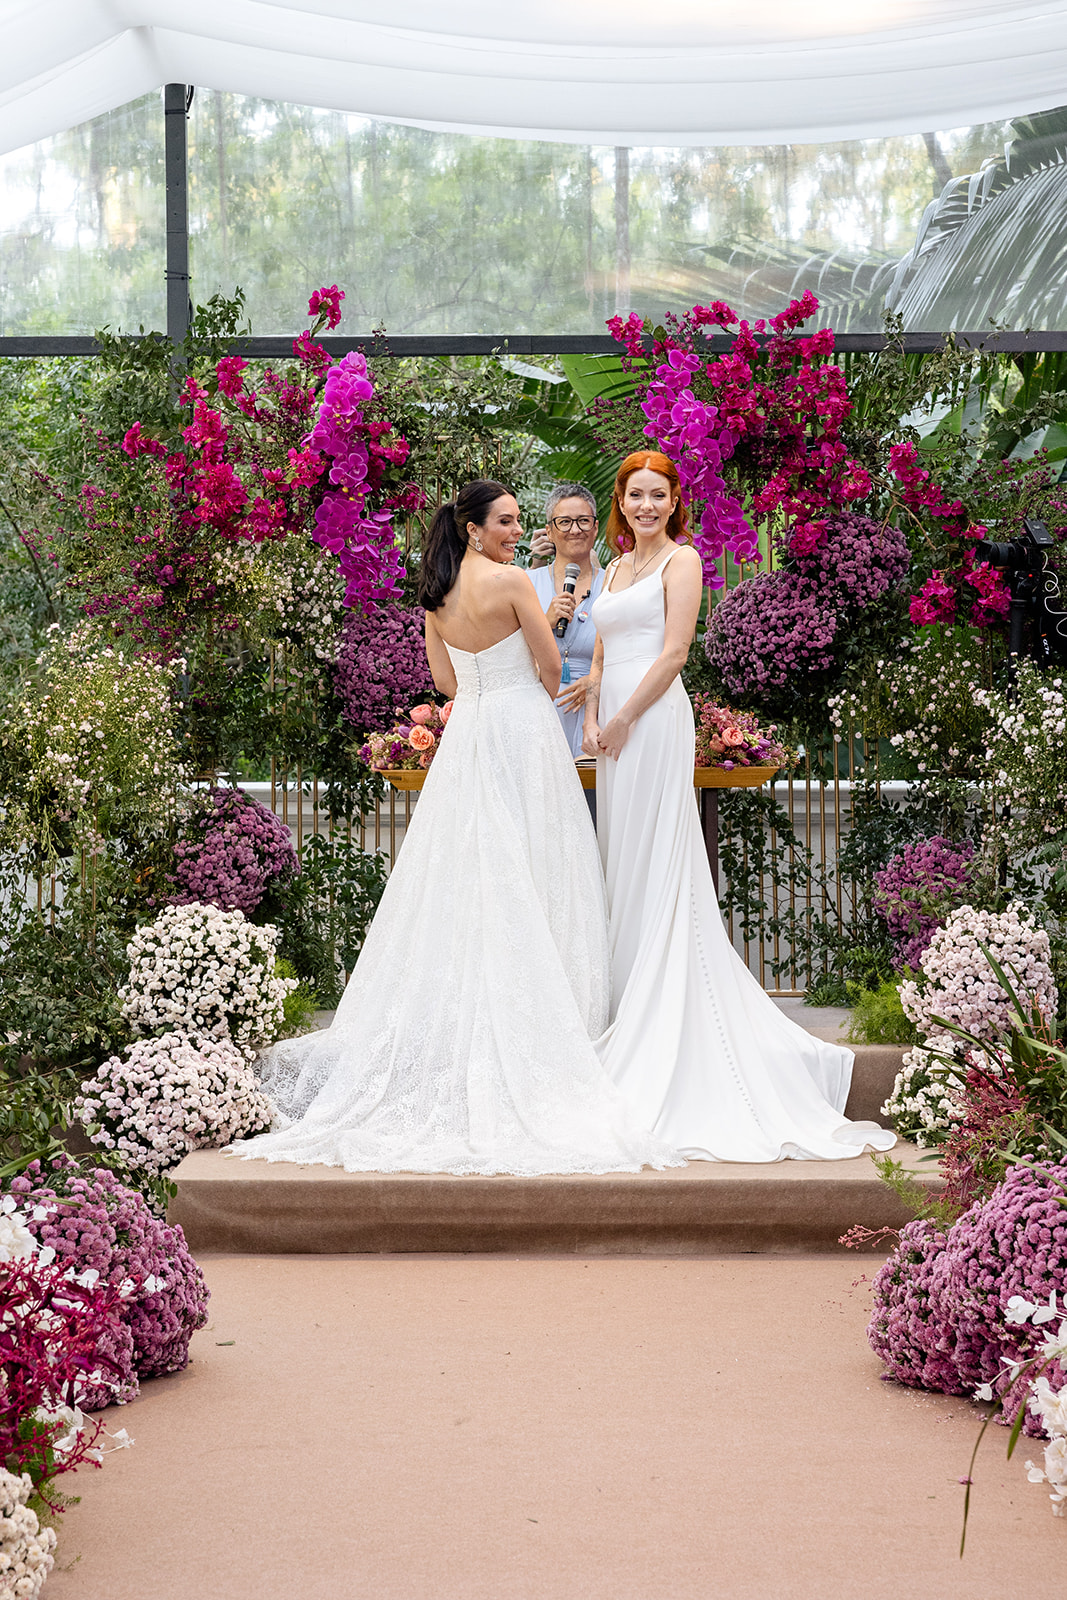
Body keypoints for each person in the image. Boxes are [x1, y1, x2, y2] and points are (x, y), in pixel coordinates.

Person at [233, 480, 679, 1177]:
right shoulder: (511, 584)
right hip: (525, 730)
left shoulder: (433, 595)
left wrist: (483, 681)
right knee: (541, 863)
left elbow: (443, 683)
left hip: (470, 728)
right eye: (504, 521)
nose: (514, 530)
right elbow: (547, 665)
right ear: (474, 528)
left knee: (463, 871)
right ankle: (556, 1028)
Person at [583, 450, 896, 1163]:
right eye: (634, 495)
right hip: (612, 728)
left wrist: (627, 716)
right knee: (619, 861)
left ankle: (664, 1013)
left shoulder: (681, 561)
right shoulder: (610, 568)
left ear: (672, 501)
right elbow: (601, 651)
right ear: (620, 501)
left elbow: (672, 654)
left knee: (659, 857)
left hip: (655, 718)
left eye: (656, 495)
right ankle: (623, 1001)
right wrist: (595, 715)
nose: (645, 506)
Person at [526, 482, 606, 757]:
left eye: (583, 521)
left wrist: (597, 681)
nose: (575, 530)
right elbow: (506, 649)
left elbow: (630, 651)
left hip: (597, 712)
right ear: (549, 530)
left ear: (595, 528)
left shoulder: (614, 586)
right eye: (565, 522)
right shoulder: (525, 583)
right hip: (538, 709)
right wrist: (544, 622)